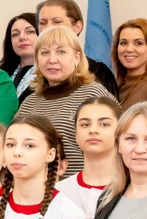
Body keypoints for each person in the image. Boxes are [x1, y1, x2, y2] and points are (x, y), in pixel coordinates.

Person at [12, 27, 116, 175]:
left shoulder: (94, 95)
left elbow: (118, 143)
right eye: (44, 53)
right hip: (35, 186)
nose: (52, 59)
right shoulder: (29, 103)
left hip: (83, 185)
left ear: (77, 58)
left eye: (61, 51)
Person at [36, 0, 122, 94]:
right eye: (42, 23)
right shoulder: (35, 73)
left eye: (57, 22)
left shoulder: (97, 72)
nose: (48, 27)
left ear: (77, 27)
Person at [56, 98, 122, 218]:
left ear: (120, 132)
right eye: (85, 125)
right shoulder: (59, 192)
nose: (93, 130)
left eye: (104, 124)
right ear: (76, 134)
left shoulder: (133, 190)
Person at [0, 12, 41, 97]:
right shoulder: (1, 75)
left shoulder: (50, 74)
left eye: (30, 32)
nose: (22, 37)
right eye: (15, 34)